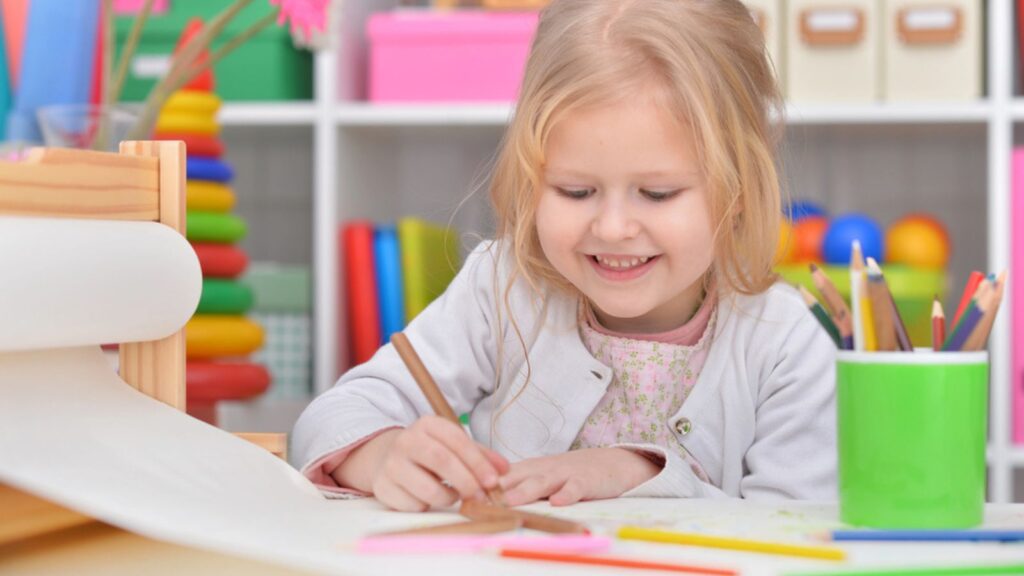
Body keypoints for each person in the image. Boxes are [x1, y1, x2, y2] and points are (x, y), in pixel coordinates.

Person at [293, 0, 836, 512]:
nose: (613, 228)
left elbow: (796, 529)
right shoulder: (502, 288)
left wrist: (641, 476)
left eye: (658, 194)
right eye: (575, 192)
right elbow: (326, 421)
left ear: (738, 187)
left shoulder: (785, 343)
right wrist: (383, 454)